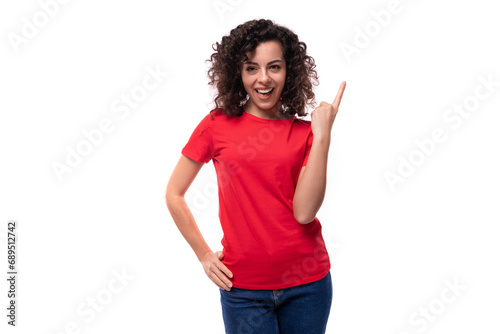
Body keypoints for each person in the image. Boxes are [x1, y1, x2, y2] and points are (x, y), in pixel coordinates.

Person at [166, 18, 346, 334]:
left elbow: (304, 213)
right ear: (238, 72)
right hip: (243, 290)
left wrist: (323, 136)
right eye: (251, 68)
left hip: (308, 285)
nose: (263, 78)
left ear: (289, 72)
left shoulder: (305, 134)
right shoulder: (215, 125)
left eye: (274, 67)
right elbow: (175, 193)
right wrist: (205, 256)